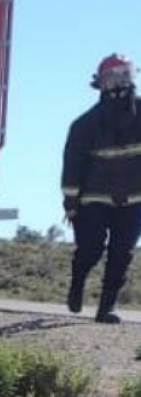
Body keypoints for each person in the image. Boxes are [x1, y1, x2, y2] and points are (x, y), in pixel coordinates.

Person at [62, 54, 141, 323]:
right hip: (94, 200)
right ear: (101, 83)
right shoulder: (84, 125)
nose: (119, 82)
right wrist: (71, 204)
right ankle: (78, 282)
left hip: (134, 200)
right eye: (112, 77)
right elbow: (72, 166)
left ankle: (106, 308)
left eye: (124, 74)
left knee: (122, 253)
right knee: (91, 248)